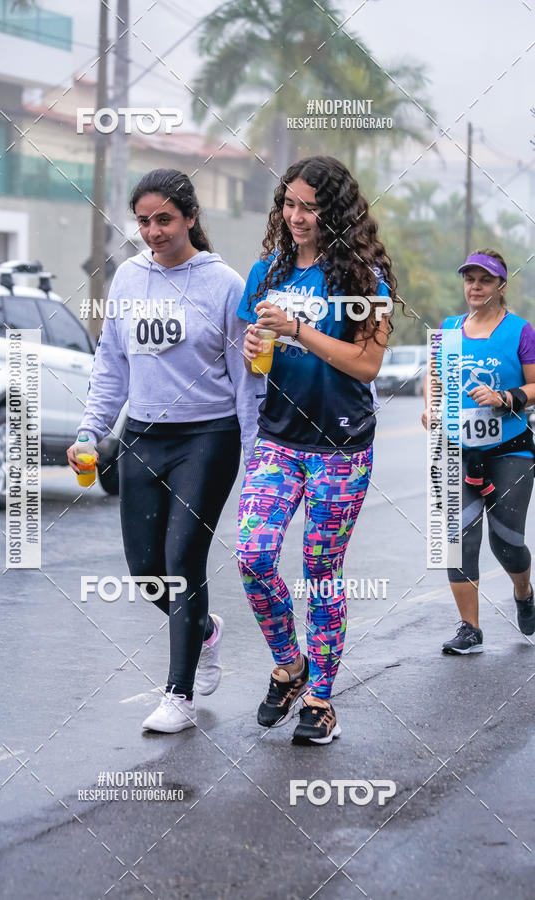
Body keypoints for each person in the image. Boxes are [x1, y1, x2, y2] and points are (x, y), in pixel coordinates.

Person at [67, 169, 261, 733]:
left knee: (181, 562)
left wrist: (253, 460)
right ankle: (204, 630)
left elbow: (246, 380)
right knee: (145, 570)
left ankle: (178, 695)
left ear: (191, 218)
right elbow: (112, 363)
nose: (153, 231)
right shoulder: (128, 277)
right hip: (143, 436)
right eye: (145, 221)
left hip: (208, 436)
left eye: (165, 220)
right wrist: (89, 432)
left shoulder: (224, 284)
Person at [235, 156, 398, 745]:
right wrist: (259, 340)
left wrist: (297, 329)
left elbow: (367, 363)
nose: (297, 216)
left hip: (342, 448)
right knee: (253, 557)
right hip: (278, 440)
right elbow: (254, 351)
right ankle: (290, 664)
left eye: (310, 206)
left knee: (320, 574)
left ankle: (322, 702)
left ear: (334, 211)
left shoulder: (364, 281)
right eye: (289, 204)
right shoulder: (266, 272)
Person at [422, 249, 535, 655]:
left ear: (501, 286)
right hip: (457, 450)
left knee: (505, 540)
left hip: (510, 450)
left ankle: (523, 592)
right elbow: (432, 376)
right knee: (458, 539)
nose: (475, 286)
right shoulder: (448, 331)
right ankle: (470, 629)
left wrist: (504, 396)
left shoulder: (520, 331)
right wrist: (432, 407)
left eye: (484, 280)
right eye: (469, 279)